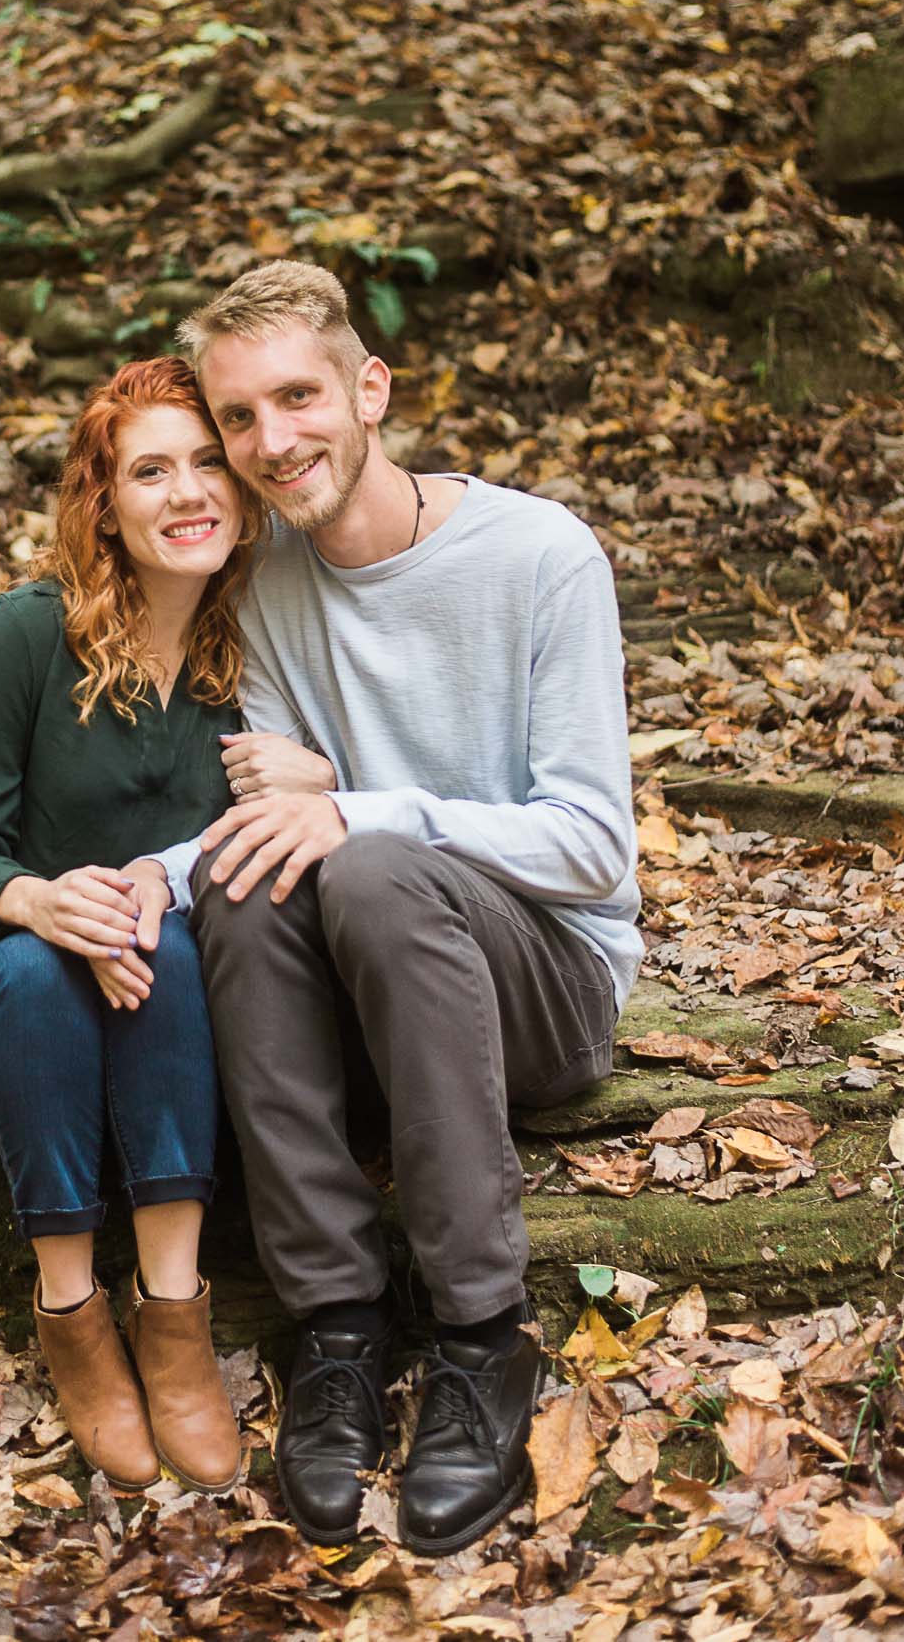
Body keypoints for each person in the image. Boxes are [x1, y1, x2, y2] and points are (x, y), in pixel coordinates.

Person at [141, 262, 642, 1557]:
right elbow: (276, 833)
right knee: (245, 885)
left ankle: (482, 1332)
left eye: (297, 396)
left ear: (370, 388)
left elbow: (589, 846)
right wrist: (139, 881)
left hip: (548, 984)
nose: (269, 441)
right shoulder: (265, 592)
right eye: (238, 416)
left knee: (356, 856)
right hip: (383, 983)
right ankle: (339, 1322)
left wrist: (369, 807)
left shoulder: (539, 555)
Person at [0, 357, 264, 1496]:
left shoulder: (255, 654)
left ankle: (174, 1320)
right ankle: (70, 1312)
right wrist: (41, 901)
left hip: (171, 1026)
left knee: (161, 938)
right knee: (43, 967)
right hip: (8, 1019)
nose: (187, 491)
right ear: (103, 502)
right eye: (150, 470)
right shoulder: (23, 639)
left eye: (208, 462)